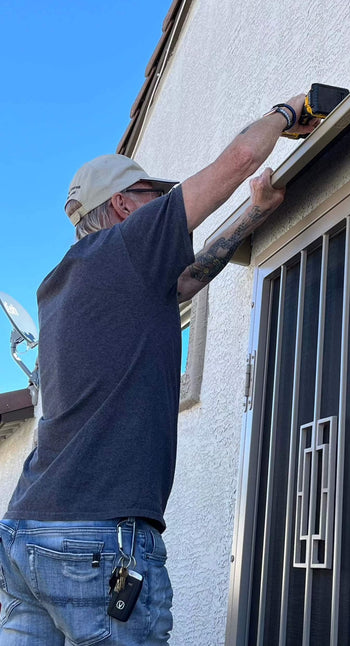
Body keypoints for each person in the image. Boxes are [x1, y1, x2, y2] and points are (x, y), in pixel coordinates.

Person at [0, 96, 317, 645]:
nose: (166, 202)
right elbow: (241, 156)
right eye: (155, 195)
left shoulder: (64, 284)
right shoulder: (129, 247)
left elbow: (188, 279)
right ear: (124, 206)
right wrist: (289, 111)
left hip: (28, 533)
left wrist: (257, 211)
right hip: (98, 536)